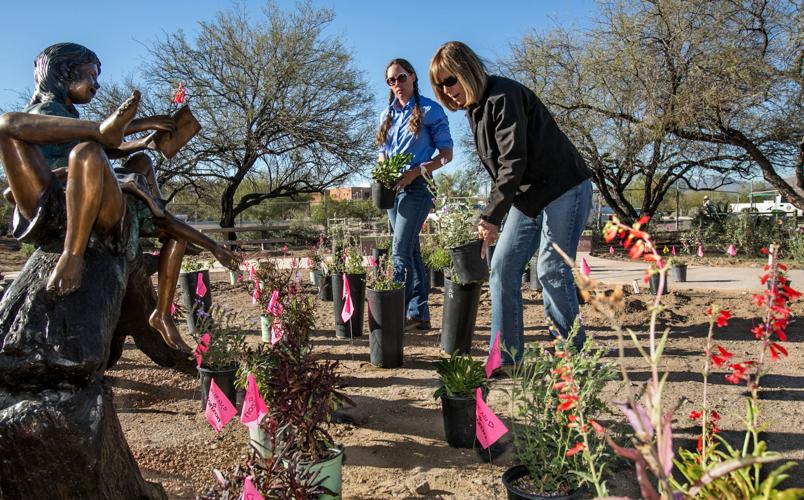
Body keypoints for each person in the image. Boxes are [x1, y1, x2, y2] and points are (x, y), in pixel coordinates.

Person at [0, 43, 237, 352]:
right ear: (64, 74)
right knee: (87, 151)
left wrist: (143, 138)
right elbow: (91, 147)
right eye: (91, 76)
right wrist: (113, 133)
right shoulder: (44, 114)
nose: (96, 85)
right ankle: (74, 255)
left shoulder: (68, 114)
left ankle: (161, 314)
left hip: (96, 204)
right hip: (56, 207)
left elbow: (108, 146)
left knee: (137, 163)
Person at [429, 41, 593, 364]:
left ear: (467, 70)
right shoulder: (476, 112)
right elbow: (505, 171)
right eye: (440, 85)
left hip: (563, 187)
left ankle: (572, 359)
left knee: (550, 269)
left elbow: (513, 162)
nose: (447, 91)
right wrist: (495, 216)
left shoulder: (503, 96)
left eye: (450, 80)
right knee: (502, 267)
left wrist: (490, 217)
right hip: (529, 196)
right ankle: (506, 358)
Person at [376, 58, 453, 331]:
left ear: (413, 76)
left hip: (418, 189)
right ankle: (419, 313)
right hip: (392, 191)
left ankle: (395, 315)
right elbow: (383, 151)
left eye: (401, 78)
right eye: (391, 80)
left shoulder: (430, 110)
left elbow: (446, 156)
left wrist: (417, 171)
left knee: (399, 252)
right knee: (412, 252)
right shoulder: (387, 114)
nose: (397, 84)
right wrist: (385, 170)